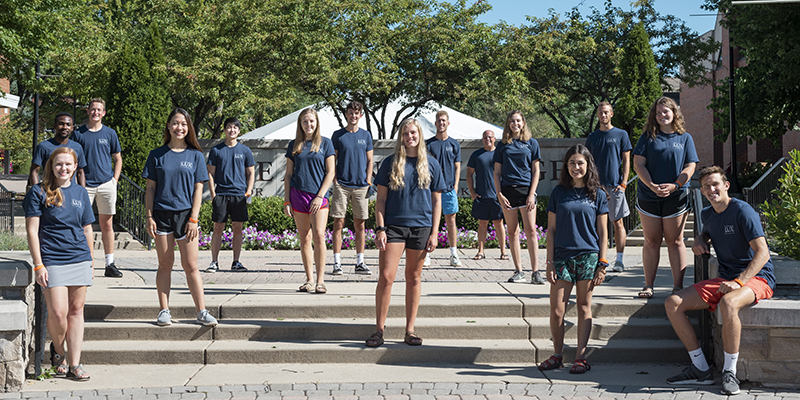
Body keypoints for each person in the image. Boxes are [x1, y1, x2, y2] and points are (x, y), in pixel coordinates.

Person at [665, 166, 775, 395]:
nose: (710, 189)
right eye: (706, 186)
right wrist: (699, 238)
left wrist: (739, 282)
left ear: (726, 186)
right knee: (673, 303)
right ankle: (701, 368)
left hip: (757, 277)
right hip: (725, 277)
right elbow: (709, 230)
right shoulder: (707, 213)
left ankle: (729, 372)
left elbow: (763, 253)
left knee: (728, 303)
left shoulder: (743, 211)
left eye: (715, 184)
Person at [366, 118, 445, 348]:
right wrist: (380, 228)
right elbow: (380, 200)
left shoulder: (431, 163)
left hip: (421, 226)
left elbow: (437, 200)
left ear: (419, 135)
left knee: (414, 277)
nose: (410, 137)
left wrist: (434, 232)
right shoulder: (390, 162)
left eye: (414, 133)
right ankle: (379, 329)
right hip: (393, 226)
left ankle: (409, 330)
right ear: (401, 137)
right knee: (387, 276)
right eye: (406, 133)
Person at [143, 108, 218, 327]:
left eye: (184, 124)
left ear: (189, 128)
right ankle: (164, 311)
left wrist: (194, 218)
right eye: (175, 123)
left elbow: (198, 190)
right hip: (161, 214)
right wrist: (149, 217)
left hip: (186, 216)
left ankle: (202, 311)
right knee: (165, 264)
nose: (179, 128)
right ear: (168, 126)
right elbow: (150, 189)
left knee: (191, 266)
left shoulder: (195, 155)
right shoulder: (156, 155)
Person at [24, 147, 94, 381]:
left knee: (76, 311)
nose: (63, 168)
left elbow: (87, 229)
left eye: (68, 164)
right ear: (51, 167)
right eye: (58, 164)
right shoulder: (38, 192)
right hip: (52, 258)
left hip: (79, 257)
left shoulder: (81, 193)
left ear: (75, 167)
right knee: (57, 312)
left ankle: (75, 364)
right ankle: (58, 352)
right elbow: (32, 231)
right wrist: (38, 265)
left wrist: (91, 261)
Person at [538, 144, 608, 374]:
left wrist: (602, 264)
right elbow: (551, 230)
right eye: (571, 163)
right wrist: (549, 262)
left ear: (588, 165)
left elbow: (603, 232)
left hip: (588, 256)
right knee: (557, 309)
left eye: (580, 163)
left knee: (583, 306)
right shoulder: (558, 193)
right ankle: (557, 354)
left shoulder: (598, 194)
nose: (576, 167)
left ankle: (580, 357)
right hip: (562, 257)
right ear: (566, 166)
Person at [632, 97, 699, 298]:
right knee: (651, 241)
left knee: (675, 241)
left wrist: (675, 185)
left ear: (674, 113)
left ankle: (677, 287)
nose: (662, 115)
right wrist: (652, 186)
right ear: (654, 115)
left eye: (666, 111)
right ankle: (648, 286)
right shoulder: (647, 138)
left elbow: (691, 166)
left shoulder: (685, 138)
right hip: (648, 196)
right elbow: (638, 164)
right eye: (658, 112)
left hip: (676, 196)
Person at [283, 108, 335, 294]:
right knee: (304, 237)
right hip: (298, 195)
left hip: (318, 197)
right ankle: (309, 280)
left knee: (319, 235)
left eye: (311, 121)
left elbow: (331, 173)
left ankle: (321, 281)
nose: (308, 125)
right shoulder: (294, 145)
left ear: (317, 122)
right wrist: (287, 201)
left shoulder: (326, 143)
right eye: (305, 121)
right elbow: (288, 175)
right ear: (300, 124)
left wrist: (320, 196)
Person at [73, 98, 124, 278]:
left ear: (103, 113)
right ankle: (86, 263)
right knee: (83, 224)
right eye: (93, 109)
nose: (95, 112)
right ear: (88, 111)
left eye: (99, 110)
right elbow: (72, 158)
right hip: (84, 186)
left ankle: (110, 264)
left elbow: (117, 158)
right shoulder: (78, 133)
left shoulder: (110, 133)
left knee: (107, 224)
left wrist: (114, 181)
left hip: (106, 184)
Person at [493, 110, 544, 284]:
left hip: (526, 191)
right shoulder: (502, 145)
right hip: (507, 192)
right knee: (513, 232)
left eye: (518, 121)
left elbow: (536, 171)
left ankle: (536, 272)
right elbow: (497, 172)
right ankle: (519, 271)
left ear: (523, 123)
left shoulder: (531, 143)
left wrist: (532, 194)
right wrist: (499, 194)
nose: (515, 124)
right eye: (512, 121)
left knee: (531, 231)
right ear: (508, 124)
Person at [585, 101, 632, 272]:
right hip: (595, 188)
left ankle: (619, 260)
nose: (603, 115)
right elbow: (587, 162)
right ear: (597, 115)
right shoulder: (592, 137)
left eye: (606, 112)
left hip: (615, 186)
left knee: (618, 223)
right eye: (600, 112)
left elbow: (627, 160)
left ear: (611, 114)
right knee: (595, 225)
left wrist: (624, 183)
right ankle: (597, 258)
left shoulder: (621, 134)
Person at [205, 117, 255, 273]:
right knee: (218, 227)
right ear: (224, 130)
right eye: (229, 127)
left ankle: (236, 262)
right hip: (221, 194)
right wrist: (213, 194)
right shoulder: (216, 150)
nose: (232, 130)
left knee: (237, 228)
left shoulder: (245, 151)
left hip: (239, 195)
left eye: (235, 127)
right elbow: (210, 174)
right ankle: (214, 262)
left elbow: (251, 172)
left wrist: (248, 191)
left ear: (239, 131)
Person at [330, 101, 374, 275]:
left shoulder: (366, 135)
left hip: (361, 186)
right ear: (346, 114)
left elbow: (370, 160)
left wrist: (368, 179)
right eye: (350, 113)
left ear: (361, 115)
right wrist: (334, 179)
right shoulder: (338, 135)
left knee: (360, 225)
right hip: (342, 185)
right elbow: (332, 159)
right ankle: (337, 263)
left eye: (356, 113)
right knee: (338, 223)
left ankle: (360, 262)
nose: (353, 116)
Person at [424, 111, 461, 267]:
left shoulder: (454, 144)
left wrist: (456, 186)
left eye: (444, 120)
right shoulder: (429, 144)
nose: (441, 123)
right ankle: (426, 254)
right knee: (429, 222)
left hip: (448, 190)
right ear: (435, 123)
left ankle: (453, 254)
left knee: (451, 221)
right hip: (432, 191)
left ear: (448, 123)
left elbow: (457, 167)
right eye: (439, 121)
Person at [466, 129, 507, 262]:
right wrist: (472, 192)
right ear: (482, 139)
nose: (487, 139)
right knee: (482, 223)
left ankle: (503, 251)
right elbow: (469, 175)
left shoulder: (500, 154)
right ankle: (481, 251)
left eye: (490, 137)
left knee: (499, 223)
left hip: (497, 196)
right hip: (482, 196)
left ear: (494, 139)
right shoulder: (476, 155)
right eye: (485, 137)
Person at [29, 112, 87, 188]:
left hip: (70, 191)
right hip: (49, 190)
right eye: (61, 124)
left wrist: (82, 192)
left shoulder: (77, 147)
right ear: (55, 126)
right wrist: (37, 192)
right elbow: (34, 171)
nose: (65, 127)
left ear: (72, 128)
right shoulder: (44, 146)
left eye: (68, 124)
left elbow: (80, 172)